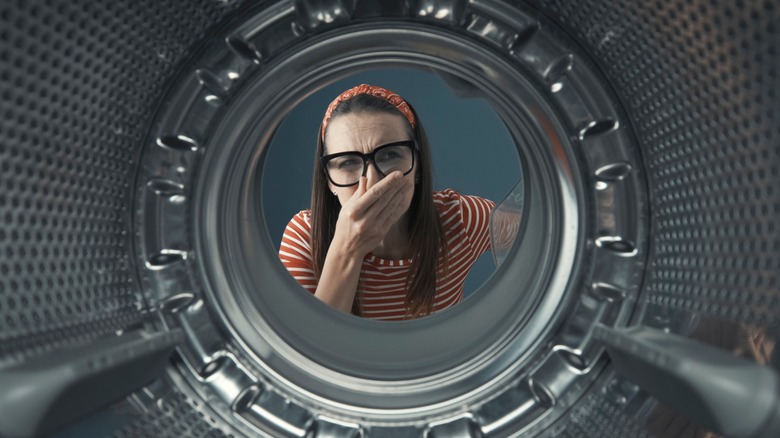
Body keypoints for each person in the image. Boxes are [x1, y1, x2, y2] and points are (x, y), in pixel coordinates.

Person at [279, 84, 495, 321]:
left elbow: (539, 232)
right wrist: (348, 249)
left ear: (418, 167)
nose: (372, 181)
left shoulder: (460, 219)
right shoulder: (304, 237)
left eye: (390, 155)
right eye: (348, 162)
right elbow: (306, 351)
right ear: (328, 181)